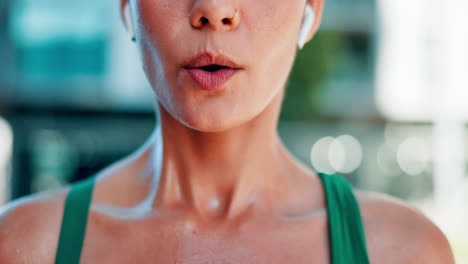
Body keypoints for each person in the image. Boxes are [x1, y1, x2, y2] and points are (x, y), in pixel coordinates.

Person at [0, 0, 455, 263]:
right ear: (126, 8)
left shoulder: (402, 252)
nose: (214, 10)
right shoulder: (25, 246)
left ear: (310, 12)